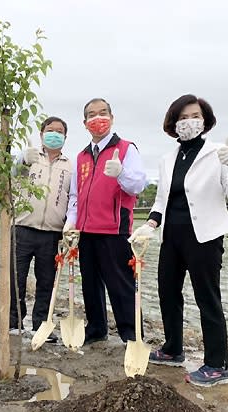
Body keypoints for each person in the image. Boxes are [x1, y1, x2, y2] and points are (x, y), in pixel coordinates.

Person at [129, 94, 228, 387]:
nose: (188, 122)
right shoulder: (168, 159)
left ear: (204, 120)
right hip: (172, 236)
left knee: (207, 297)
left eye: (194, 116)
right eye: (182, 118)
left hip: (204, 236)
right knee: (168, 292)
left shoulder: (219, 152)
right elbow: (161, 200)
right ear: (173, 123)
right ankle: (173, 349)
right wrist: (149, 225)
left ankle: (217, 365)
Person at [64, 98, 146, 345]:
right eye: (91, 115)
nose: (97, 118)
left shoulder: (126, 148)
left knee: (120, 283)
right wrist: (71, 222)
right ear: (84, 122)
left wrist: (121, 173)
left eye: (102, 113)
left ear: (111, 117)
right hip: (87, 230)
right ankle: (97, 327)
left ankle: (131, 333)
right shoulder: (81, 157)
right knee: (90, 282)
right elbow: (76, 195)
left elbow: (138, 185)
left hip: (114, 228)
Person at [0, 116, 73, 342]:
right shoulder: (29, 157)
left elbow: (72, 198)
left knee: (47, 281)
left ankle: (41, 326)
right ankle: (13, 322)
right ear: (41, 134)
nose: (55, 134)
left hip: (52, 233)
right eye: (50, 130)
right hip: (23, 228)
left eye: (60, 131)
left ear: (65, 137)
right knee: (16, 278)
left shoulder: (69, 166)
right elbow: (7, 176)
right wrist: (22, 161)